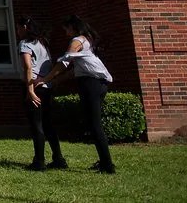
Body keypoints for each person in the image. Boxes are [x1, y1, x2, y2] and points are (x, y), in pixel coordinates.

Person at [37, 15, 115, 174]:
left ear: (73, 27)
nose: (66, 33)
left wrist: (46, 78)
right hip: (100, 83)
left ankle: (107, 165)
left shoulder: (77, 41)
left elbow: (64, 62)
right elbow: (75, 71)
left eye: (66, 29)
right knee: (93, 124)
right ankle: (104, 161)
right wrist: (56, 81)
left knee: (95, 125)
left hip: (91, 84)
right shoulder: (88, 41)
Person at [16, 16, 65, 171]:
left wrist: (30, 90)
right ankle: (58, 158)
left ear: (24, 27)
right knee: (48, 124)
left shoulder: (25, 43)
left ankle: (39, 161)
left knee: (36, 124)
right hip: (46, 86)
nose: (17, 31)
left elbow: (28, 66)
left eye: (18, 28)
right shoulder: (43, 43)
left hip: (34, 86)